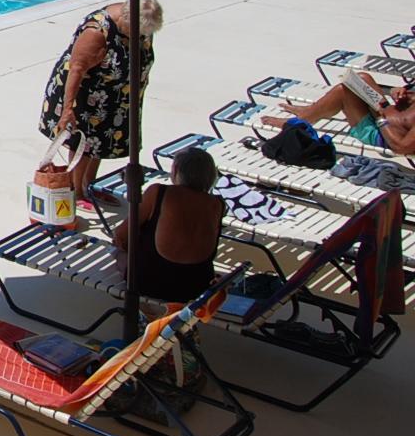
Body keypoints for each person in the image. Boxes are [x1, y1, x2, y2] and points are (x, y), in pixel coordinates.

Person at [39, 0, 163, 198]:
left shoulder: (141, 27)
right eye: (139, 31)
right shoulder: (97, 31)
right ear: (126, 19)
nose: (143, 35)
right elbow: (76, 69)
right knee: (85, 145)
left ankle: (89, 186)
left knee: (100, 145)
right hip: (86, 96)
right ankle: (76, 192)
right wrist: (68, 110)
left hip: (114, 97)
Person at [112, 146, 225, 303]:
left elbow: (121, 236)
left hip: (152, 283)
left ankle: (140, 311)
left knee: (118, 254)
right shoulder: (217, 204)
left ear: (176, 170)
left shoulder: (160, 192)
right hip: (197, 285)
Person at [261, 73, 415, 155]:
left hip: (379, 133)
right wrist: (399, 92)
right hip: (383, 112)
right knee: (362, 78)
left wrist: (381, 119)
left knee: (343, 91)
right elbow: (406, 98)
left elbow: (401, 147)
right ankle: (309, 112)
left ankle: (300, 120)